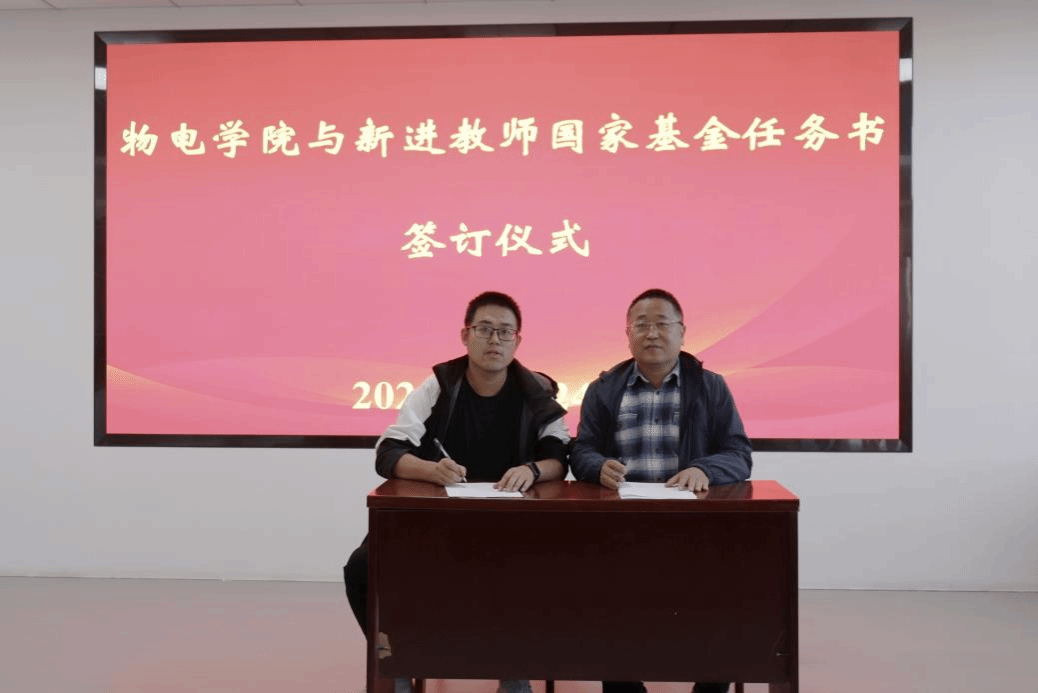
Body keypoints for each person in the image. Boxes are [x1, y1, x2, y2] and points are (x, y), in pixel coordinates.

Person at [343, 291, 570, 693]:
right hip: (437, 519)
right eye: (484, 329)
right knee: (362, 567)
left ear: (517, 341)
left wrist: (531, 470)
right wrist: (431, 470)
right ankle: (396, 664)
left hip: (511, 522)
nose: (494, 340)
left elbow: (559, 457)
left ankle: (515, 670)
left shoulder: (536, 391)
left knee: (546, 568)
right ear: (465, 335)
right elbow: (388, 451)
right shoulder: (440, 384)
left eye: (505, 332)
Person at [570, 288, 753, 693]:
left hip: (694, 529)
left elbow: (739, 454)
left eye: (662, 324)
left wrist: (703, 468)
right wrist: (597, 466)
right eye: (641, 325)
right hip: (623, 529)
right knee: (609, 609)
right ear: (628, 334)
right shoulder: (604, 388)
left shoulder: (710, 387)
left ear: (682, 332)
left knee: (720, 607)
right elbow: (581, 450)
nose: (651, 333)